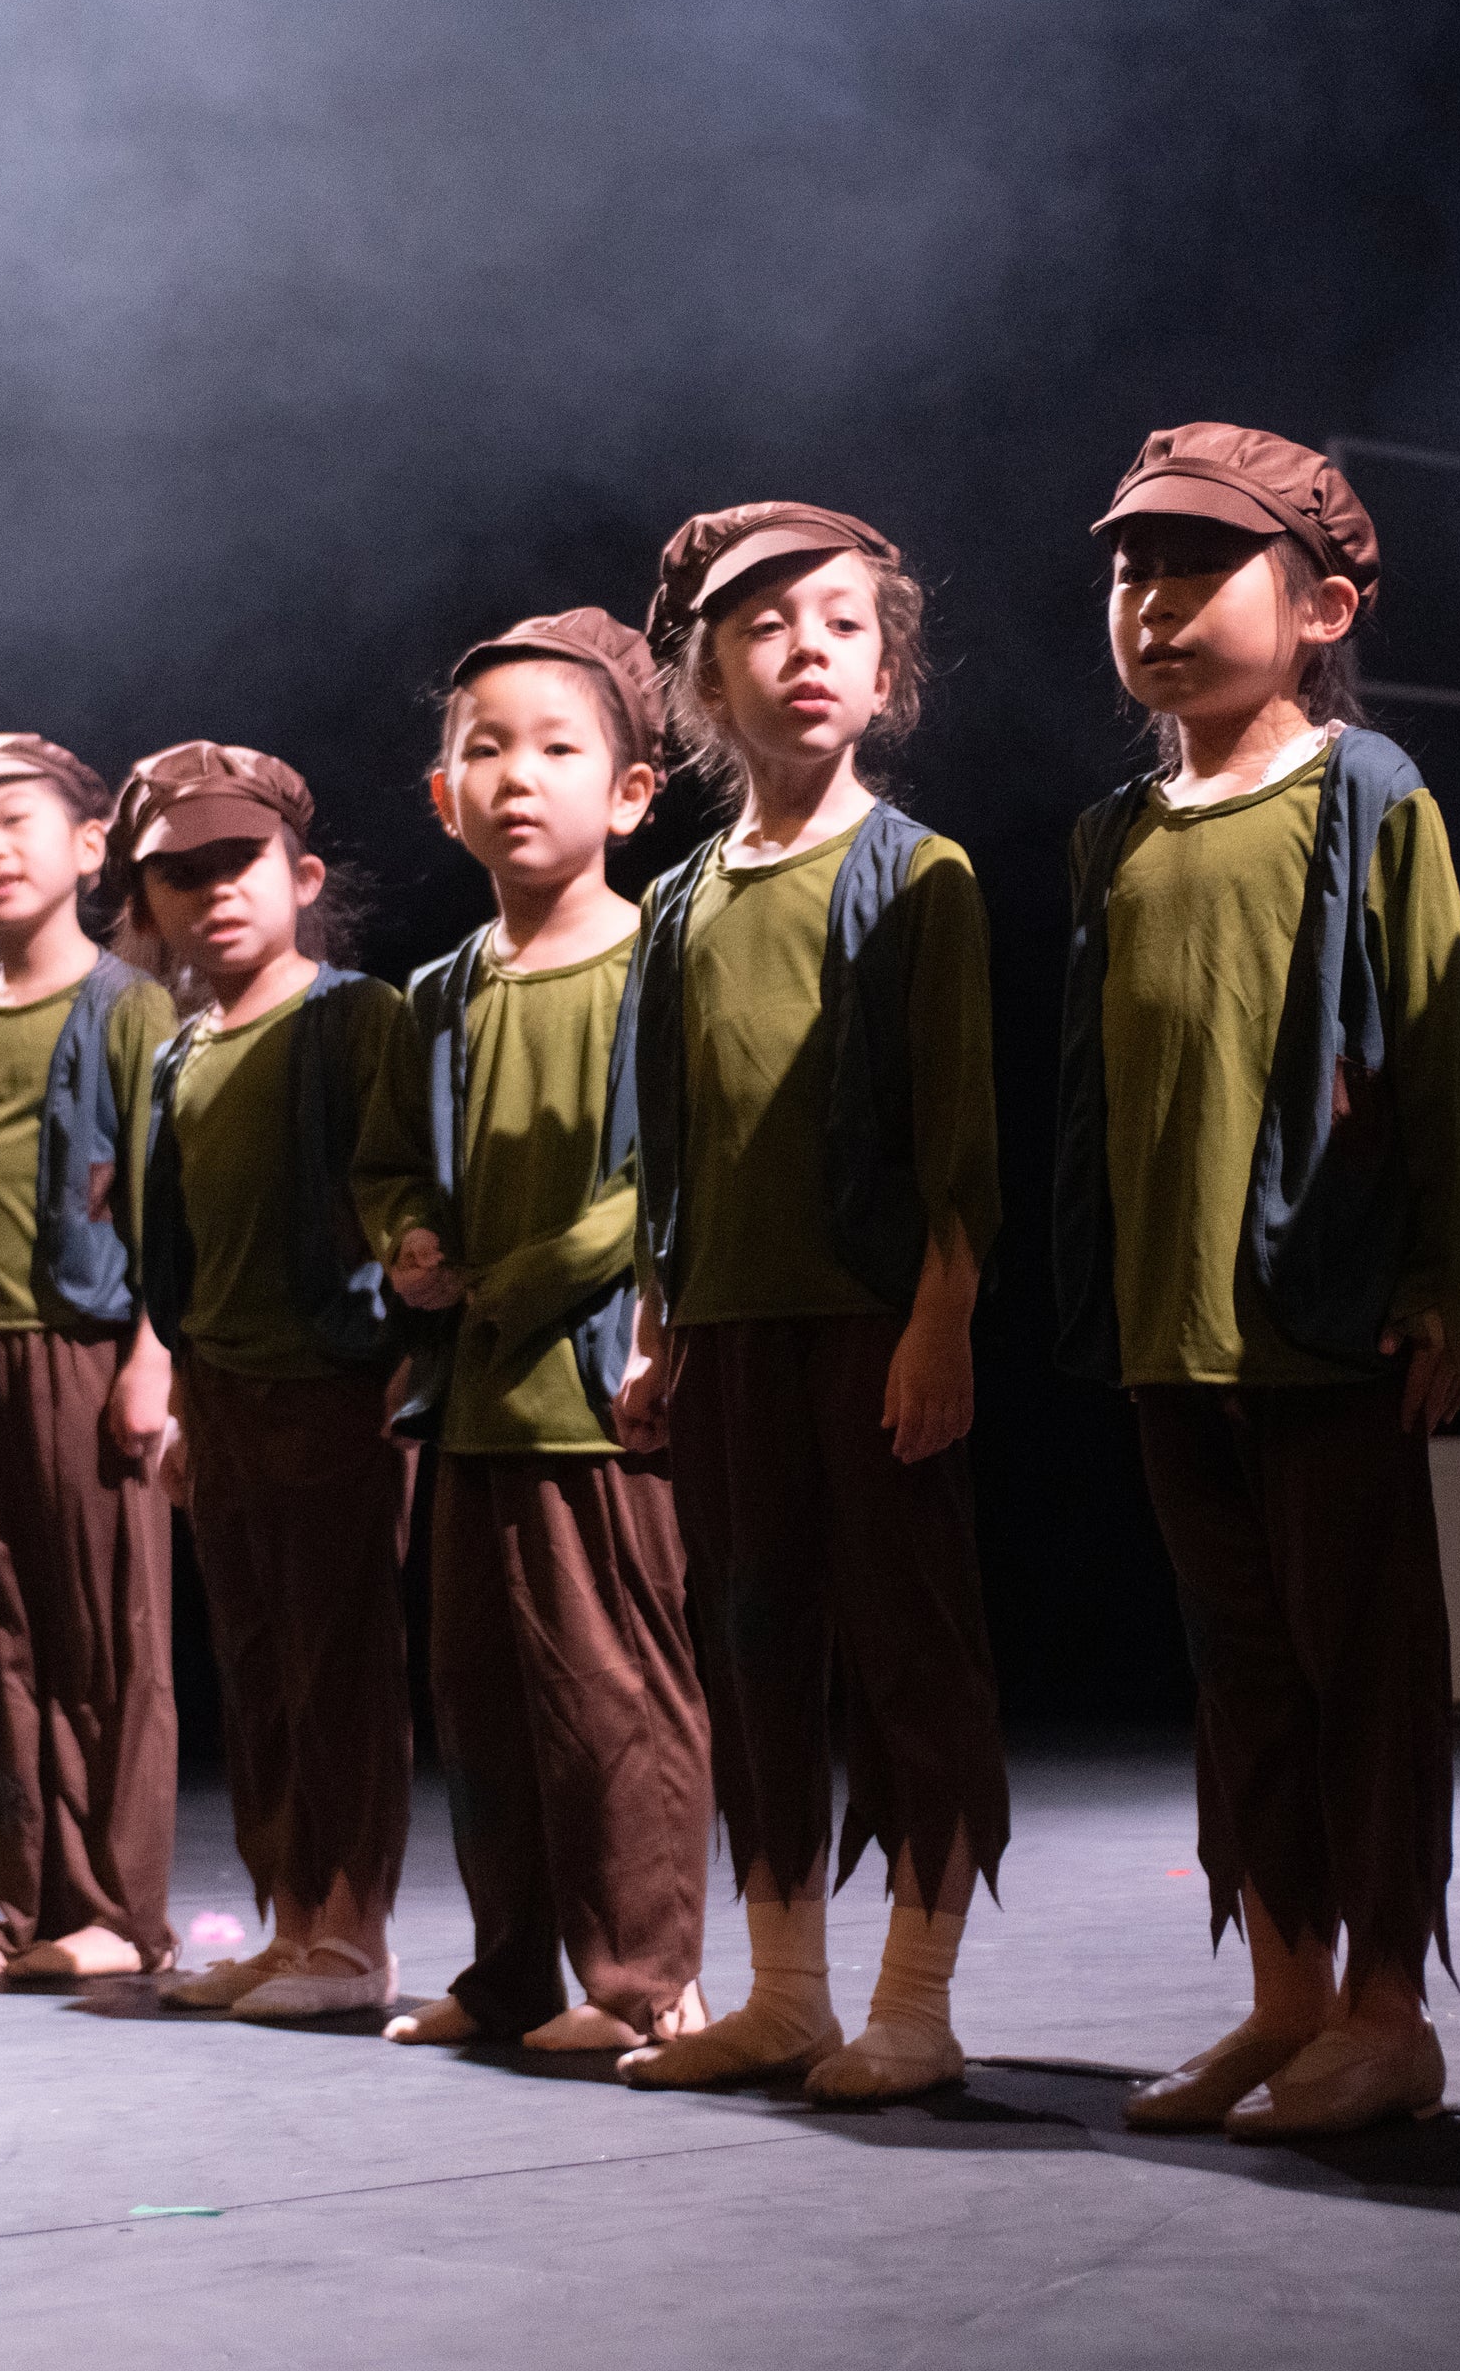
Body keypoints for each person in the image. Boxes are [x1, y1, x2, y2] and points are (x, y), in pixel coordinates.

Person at [1053, 425, 1460, 2140]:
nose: (1153, 604)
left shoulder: (1366, 792)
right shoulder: (1114, 832)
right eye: (1129, 570)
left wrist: (1446, 1285)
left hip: (1326, 1323)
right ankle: (1284, 1996)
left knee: (1360, 1667)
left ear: (1320, 606)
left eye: (1197, 568)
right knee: (1240, 1669)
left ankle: (1388, 2009)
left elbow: (1444, 1061)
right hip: (1175, 1327)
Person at [611, 502, 1009, 2108]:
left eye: (841, 623)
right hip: (729, 1334)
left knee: (911, 1651)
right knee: (754, 1644)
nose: (807, 653)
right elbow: (669, 1138)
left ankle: (917, 1998)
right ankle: (784, 1991)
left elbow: (957, 1135)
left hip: (870, 1324)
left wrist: (940, 1315)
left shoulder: (923, 876)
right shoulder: (684, 904)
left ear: (887, 664)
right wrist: (659, 1324)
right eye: (766, 628)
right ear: (706, 676)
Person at [358, 611, 715, 2055]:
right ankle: (511, 1969)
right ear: (444, 797)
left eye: (557, 748)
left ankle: (647, 1984)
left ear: (630, 793)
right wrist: (410, 1243)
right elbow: (387, 1165)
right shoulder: (436, 996)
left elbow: (679, 1175)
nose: (517, 776)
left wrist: (530, 1276)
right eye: (483, 751)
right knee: (486, 1705)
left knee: (611, 1693)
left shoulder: (661, 962)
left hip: (595, 1390)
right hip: (470, 1403)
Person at [99, 742, 419, 2022]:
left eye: (238, 863)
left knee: (339, 1665)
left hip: (333, 1386)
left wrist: (400, 1376)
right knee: (258, 1664)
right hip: (224, 1397)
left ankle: (353, 1933)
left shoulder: (354, 1016)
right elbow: (173, 1251)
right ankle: (290, 1921)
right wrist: (177, 1396)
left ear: (303, 875)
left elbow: (399, 1194)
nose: (213, 892)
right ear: (150, 907)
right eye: (180, 877)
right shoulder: (180, 1055)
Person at [0, 734, 184, 1982]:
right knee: (8, 1638)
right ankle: (31, 1905)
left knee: (108, 1640)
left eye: (15, 821)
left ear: (86, 846)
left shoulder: (129, 1003)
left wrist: (151, 1356)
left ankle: (117, 1914)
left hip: (86, 1345)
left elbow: (169, 1196)